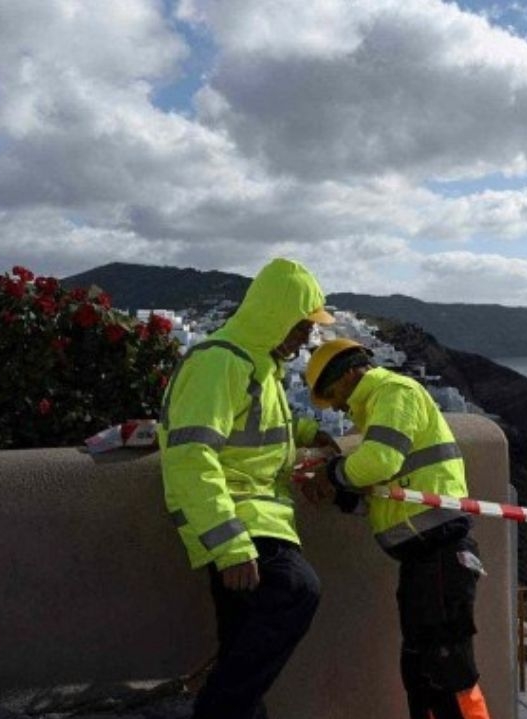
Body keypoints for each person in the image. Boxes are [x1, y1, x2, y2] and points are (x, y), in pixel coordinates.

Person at [158, 258, 337, 719]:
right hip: (239, 520)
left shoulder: (259, 366)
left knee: (242, 649)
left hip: (253, 518)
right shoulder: (219, 361)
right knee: (297, 590)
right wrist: (230, 543)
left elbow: (258, 425)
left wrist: (308, 432)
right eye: (301, 326)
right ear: (274, 315)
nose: (306, 337)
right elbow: (191, 455)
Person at [299, 339, 491, 719]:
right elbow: (386, 495)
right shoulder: (377, 411)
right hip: (423, 559)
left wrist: (331, 473)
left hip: (439, 552)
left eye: (333, 393)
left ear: (351, 373)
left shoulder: (394, 392)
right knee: (421, 672)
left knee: (446, 670)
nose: (336, 406)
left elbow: (380, 462)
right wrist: (342, 495)